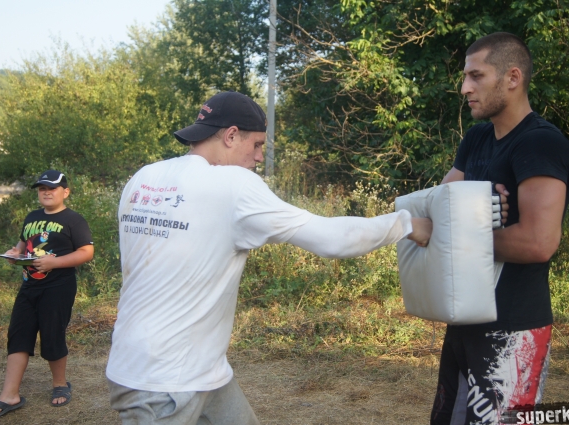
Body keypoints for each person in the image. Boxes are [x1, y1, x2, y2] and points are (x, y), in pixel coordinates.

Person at [105, 91, 433, 424]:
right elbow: (335, 239)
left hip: (191, 368)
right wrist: (406, 224)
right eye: (257, 145)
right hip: (162, 384)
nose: (259, 157)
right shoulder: (233, 185)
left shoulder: (144, 178)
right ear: (231, 136)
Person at [429, 32, 569, 424]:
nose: (465, 88)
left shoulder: (540, 143)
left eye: (476, 76)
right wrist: (479, 210)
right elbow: (436, 206)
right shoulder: (477, 138)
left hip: (513, 329)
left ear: (513, 77)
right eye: (465, 77)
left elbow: (538, 242)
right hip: (465, 316)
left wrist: (461, 228)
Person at [0, 170, 94, 418]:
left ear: (65, 192)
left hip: (58, 287)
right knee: (18, 334)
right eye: (42, 189)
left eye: (52, 188)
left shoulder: (74, 220)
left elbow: (86, 252)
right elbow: (22, 246)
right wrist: (14, 254)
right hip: (29, 286)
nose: (47, 192)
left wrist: (55, 262)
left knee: (52, 334)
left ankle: (60, 384)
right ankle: (9, 396)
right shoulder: (32, 217)